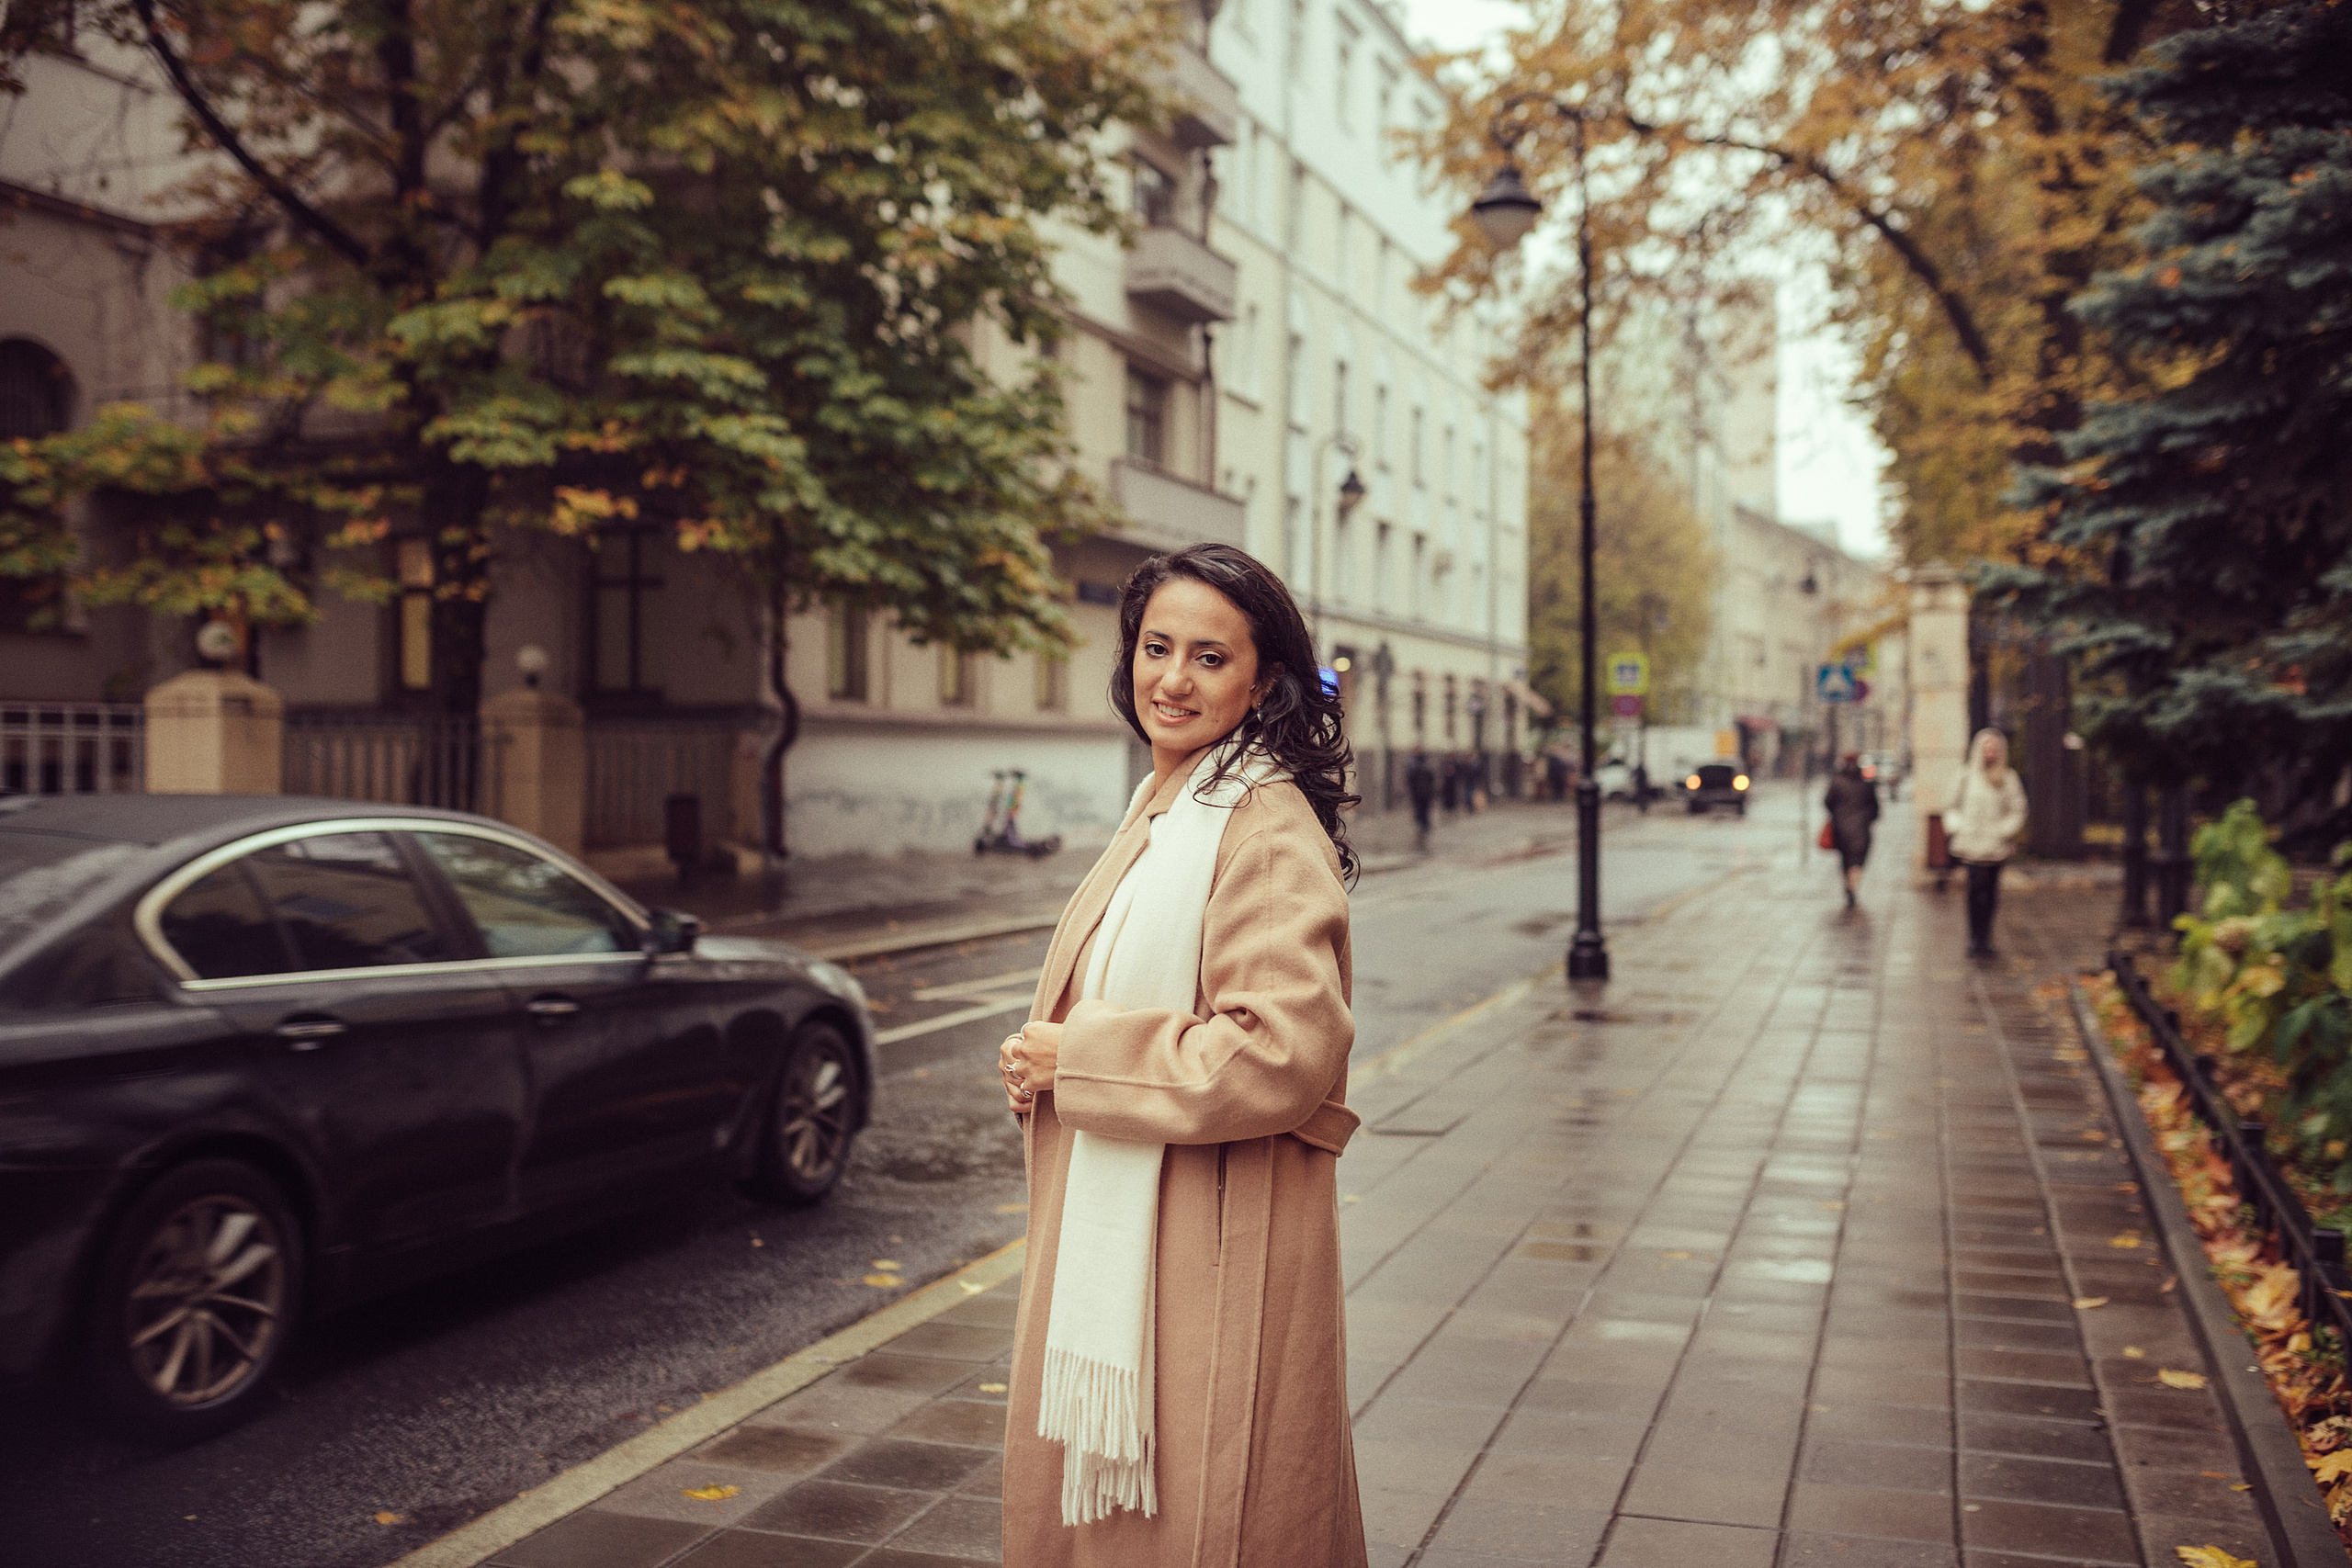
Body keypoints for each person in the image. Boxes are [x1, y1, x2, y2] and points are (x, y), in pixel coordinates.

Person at [995, 542, 1367, 1567]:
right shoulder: (1171, 803)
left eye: (1209, 657)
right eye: (1157, 648)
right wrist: (1052, 1057)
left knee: (1206, 1522)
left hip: (1208, 1231)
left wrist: (1078, 1058)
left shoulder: (1257, 823)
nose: (1172, 679)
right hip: (1148, 1222)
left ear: (1265, 683)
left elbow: (1280, 1051)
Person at [1946, 728, 2028, 956]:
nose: (1990, 753)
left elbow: (2018, 809)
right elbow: (1951, 806)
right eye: (1986, 748)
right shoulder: (1965, 776)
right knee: (1974, 890)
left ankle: (1986, 938)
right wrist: (1957, 826)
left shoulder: (2007, 778)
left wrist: (2004, 830)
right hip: (1971, 845)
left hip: (1996, 847)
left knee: (1990, 893)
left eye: (1994, 749)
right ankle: (1974, 936)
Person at [1825, 750, 1881, 908]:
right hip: (1861, 827)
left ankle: (1848, 884)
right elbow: (1874, 806)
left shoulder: (1837, 781)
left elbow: (1827, 801)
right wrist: (1869, 818)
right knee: (1859, 858)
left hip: (1840, 827)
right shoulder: (1865, 783)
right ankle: (1853, 884)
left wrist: (1837, 815)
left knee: (1845, 858)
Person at [1406, 748, 1437, 851]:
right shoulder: (1427, 767)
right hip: (1425, 794)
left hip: (1419, 794)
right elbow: (1432, 780)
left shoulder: (1414, 767)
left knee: (1421, 810)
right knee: (1424, 810)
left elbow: (1410, 780)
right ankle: (1424, 825)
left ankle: (1423, 825)